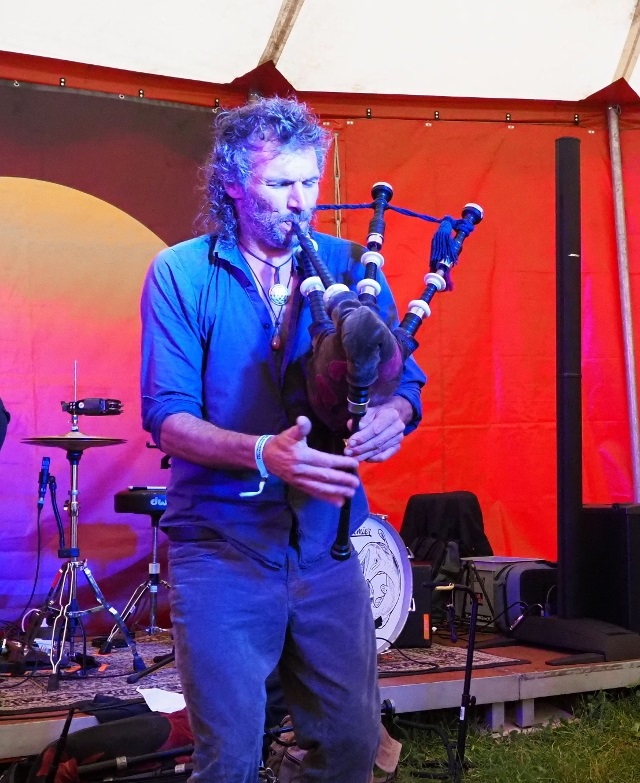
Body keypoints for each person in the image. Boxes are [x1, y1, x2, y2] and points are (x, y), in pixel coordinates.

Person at [140, 96, 426, 783]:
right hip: (221, 548)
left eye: (309, 181)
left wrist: (397, 412)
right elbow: (167, 418)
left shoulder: (349, 263)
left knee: (353, 748)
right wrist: (265, 452)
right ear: (233, 183)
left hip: (326, 548)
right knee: (230, 757)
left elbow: (403, 375)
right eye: (278, 183)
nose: (299, 200)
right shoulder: (180, 273)